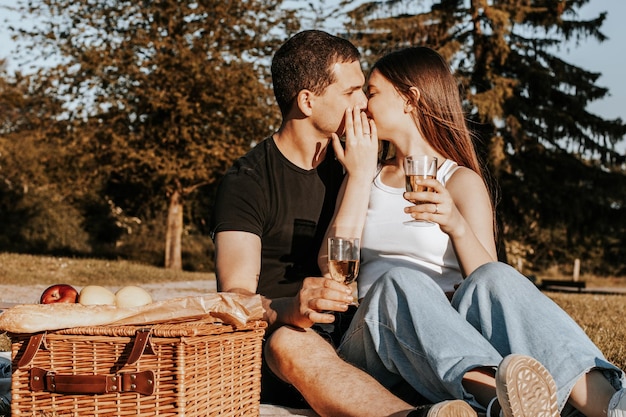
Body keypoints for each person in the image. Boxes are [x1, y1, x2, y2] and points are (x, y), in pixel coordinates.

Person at [319, 45, 626, 417]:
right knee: (401, 281)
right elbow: (331, 260)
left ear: (410, 99)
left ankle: (610, 406)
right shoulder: (364, 172)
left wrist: (456, 226)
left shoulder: (461, 181)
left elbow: (490, 289)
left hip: (450, 341)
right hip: (376, 338)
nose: (364, 104)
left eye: (372, 92)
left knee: (497, 276)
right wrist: (357, 174)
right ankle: (500, 401)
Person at [211, 31, 477, 417]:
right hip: (285, 346)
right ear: (307, 100)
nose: (364, 103)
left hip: (353, 336)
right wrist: (289, 308)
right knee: (289, 341)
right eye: (352, 92)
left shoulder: (356, 163)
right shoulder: (247, 182)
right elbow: (233, 298)